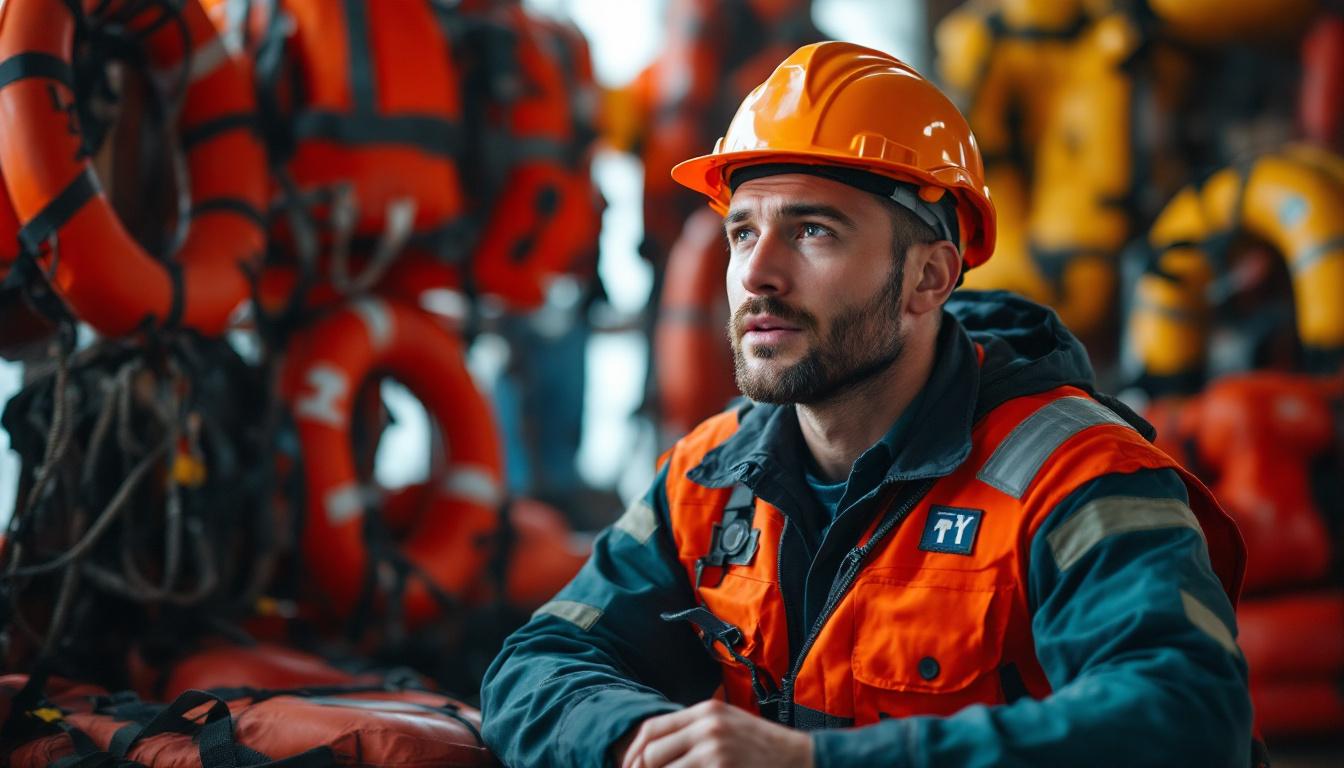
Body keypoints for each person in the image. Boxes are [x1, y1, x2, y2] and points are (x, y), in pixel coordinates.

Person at [480, 41, 1253, 767]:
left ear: (928, 278)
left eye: (812, 231)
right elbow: (535, 666)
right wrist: (640, 742)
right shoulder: (708, 478)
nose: (758, 275)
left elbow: (1187, 716)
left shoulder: (1075, 476)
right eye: (742, 232)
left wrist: (819, 763)